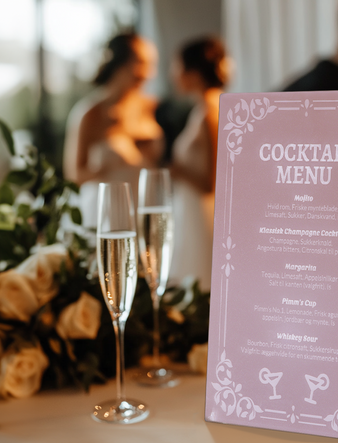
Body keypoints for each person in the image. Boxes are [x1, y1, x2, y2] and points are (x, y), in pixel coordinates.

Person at [63, 32, 163, 226]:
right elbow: (74, 177)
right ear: (119, 63)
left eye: (151, 65)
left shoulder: (152, 107)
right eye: (141, 63)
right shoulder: (90, 114)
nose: (148, 73)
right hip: (107, 213)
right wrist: (105, 166)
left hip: (147, 207)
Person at [167, 37, 229, 292]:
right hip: (191, 210)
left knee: (200, 283)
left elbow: (213, 180)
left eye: (177, 67)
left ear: (192, 72)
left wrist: (174, 169)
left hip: (202, 213)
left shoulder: (210, 112)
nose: (174, 75)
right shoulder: (204, 108)